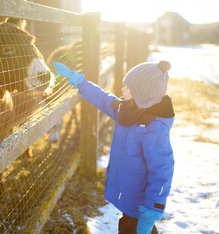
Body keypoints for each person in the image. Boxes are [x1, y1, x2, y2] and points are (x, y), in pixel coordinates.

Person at [53, 61, 175, 234]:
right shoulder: (128, 111)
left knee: (130, 228)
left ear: (141, 94)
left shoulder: (154, 130)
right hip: (129, 195)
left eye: (128, 88)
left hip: (141, 203)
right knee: (127, 225)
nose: (122, 90)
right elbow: (103, 99)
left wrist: (150, 213)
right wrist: (79, 81)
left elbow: (163, 171)